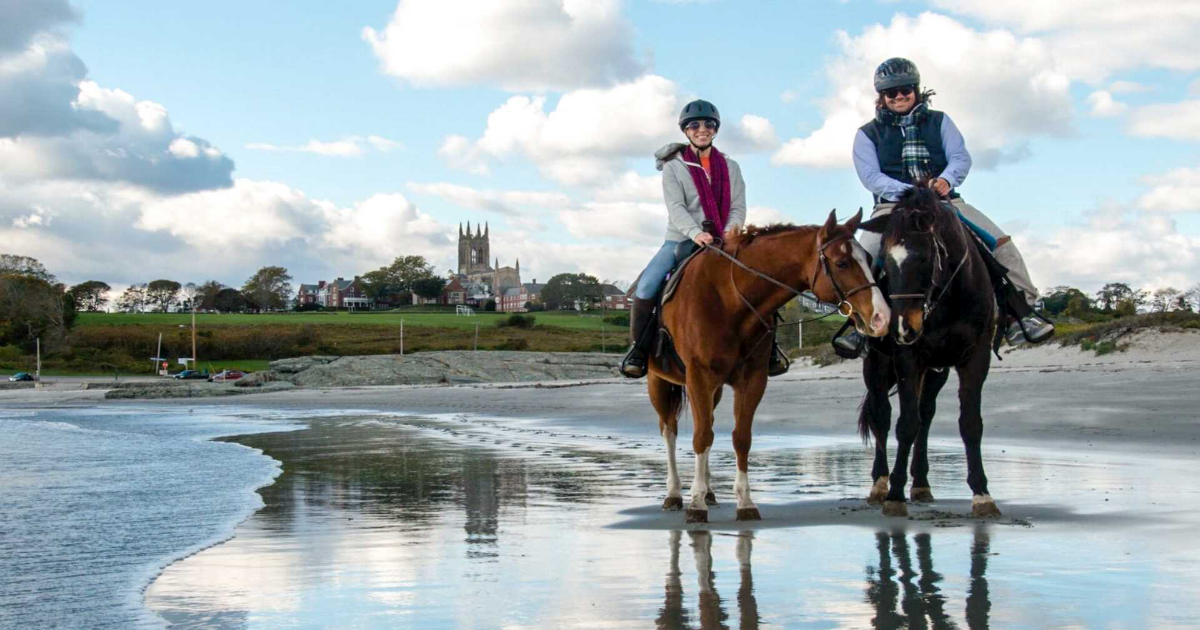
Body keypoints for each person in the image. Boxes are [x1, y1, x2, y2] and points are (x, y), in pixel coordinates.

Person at [833, 57, 1054, 357]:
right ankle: (858, 328)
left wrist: (947, 180)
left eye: (906, 89)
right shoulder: (866, 134)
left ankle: (1022, 313)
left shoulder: (940, 121)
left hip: (945, 202)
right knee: (864, 255)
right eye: (891, 92)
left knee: (1000, 244)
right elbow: (872, 177)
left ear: (916, 89)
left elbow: (960, 157)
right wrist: (913, 190)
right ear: (881, 97)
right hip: (892, 208)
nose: (899, 96)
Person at [620, 99, 788, 378]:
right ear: (686, 131)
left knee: (760, 282)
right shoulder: (674, 167)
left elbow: (738, 205)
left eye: (708, 124)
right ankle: (639, 350)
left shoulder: (730, 167)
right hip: (682, 239)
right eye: (695, 125)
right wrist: (696, 233)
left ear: (715, 129)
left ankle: (770, 350)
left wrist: (731, 230)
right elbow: (676, 208)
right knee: (647, 286)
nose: (702, 129)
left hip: (725, 239)